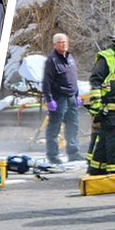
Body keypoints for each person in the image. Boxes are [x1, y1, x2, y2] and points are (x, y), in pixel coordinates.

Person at [85, 28, 115, 175]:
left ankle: (95, 170)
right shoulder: (107, 58)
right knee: (114, 142)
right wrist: (97, 106)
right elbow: (95, 81)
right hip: (109, 110)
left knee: (104, 140)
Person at [41, 32, 81, 164]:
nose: (63, 44)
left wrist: (77, 95)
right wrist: (49, 99)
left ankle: (73, 153)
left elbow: (73, 78)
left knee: (72, 126)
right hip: (59, 98)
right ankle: (53, 156)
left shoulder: (70, 58)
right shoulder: (52, 60)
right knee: (54, 127)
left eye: (65, 42)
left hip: (71, 97)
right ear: (54, 44)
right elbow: (47, 81)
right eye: (60, 42)